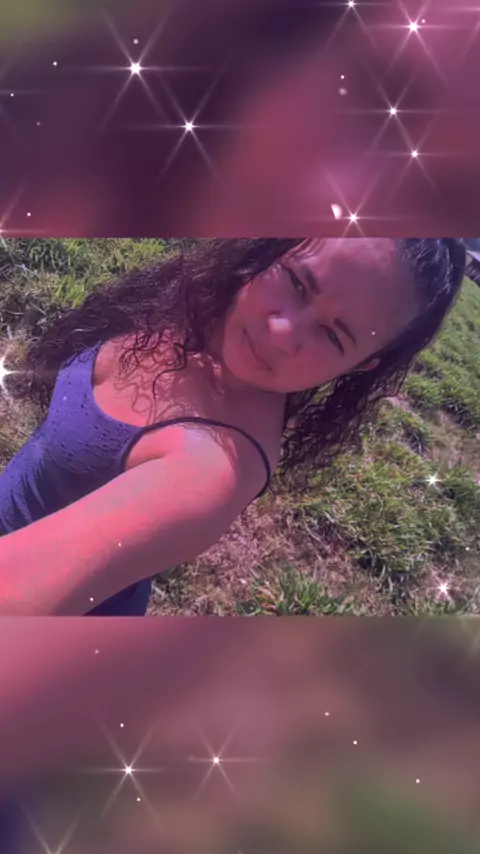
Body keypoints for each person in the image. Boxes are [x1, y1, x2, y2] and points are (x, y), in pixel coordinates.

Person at [0, 237, 466, 616]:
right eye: (296, 282)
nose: (282, 332)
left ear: (363, 366)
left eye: (332, 335)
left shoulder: (210, 468)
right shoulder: (201, 306)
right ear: (275, 247)